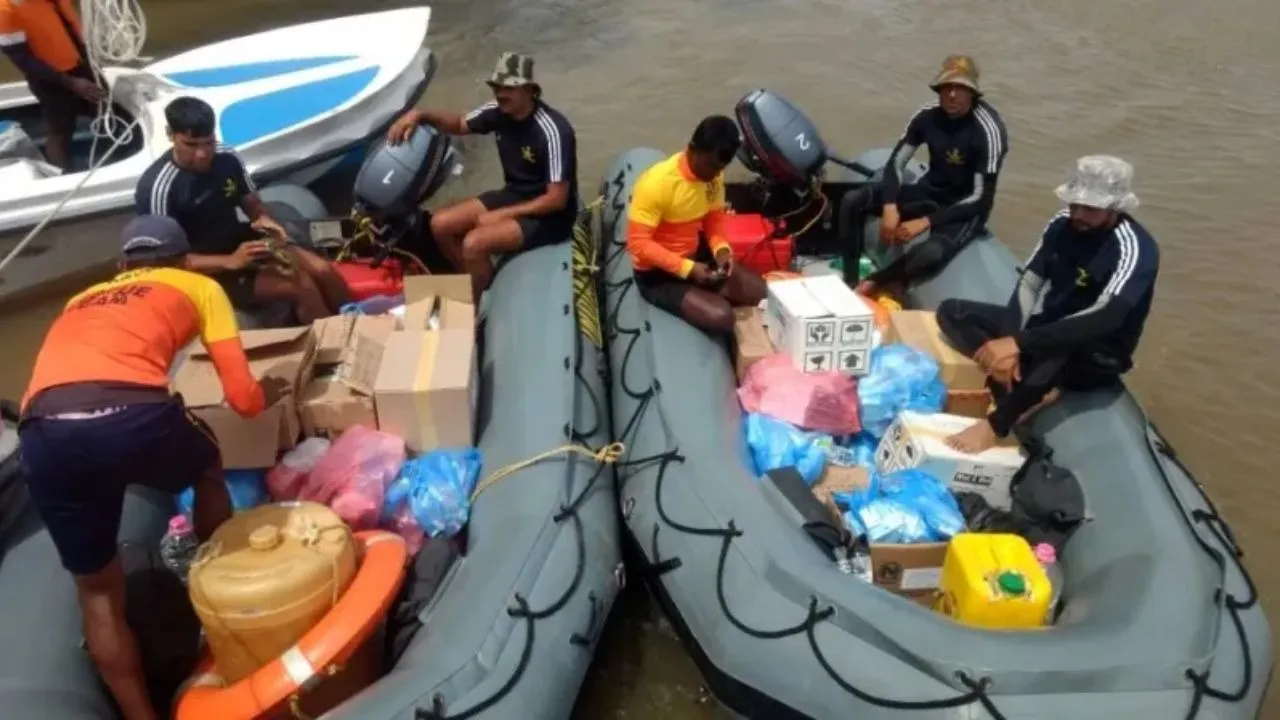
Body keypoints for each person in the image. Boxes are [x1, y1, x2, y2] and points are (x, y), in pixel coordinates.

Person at [18, 215, 287, 720]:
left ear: (122, 266)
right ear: (185, 260)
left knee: (97, 593)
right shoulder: (199, 285)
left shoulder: (80, 298)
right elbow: (244, 400)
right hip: (129, 412)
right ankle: (225, 596)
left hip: (44, 430)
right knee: (207, 464)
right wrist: (266, 393)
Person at [936, 156, 1158, 453]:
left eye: (1090, 209)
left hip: (1098, 348)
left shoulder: (1134, 248)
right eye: (1074, 205)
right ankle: (1023, 380)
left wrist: (1018, 342)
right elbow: (1030, 284)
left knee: (1057, 352)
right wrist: (1008, 341)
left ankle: (997, 424)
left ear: (1115, 208)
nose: (1077, 214)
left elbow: (1106, 316)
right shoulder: (1061, 225)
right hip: (1048, 328)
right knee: (953, 312)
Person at [135, 96, 349, 323]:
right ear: (171, 135)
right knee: (301, 285)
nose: (202, 154)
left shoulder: (227, 157)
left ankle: (355, 319)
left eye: (208, 143)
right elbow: (163, 263)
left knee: (323, 270)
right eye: (191, 145)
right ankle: (337, 343)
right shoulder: (157, 187)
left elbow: (252, 203)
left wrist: (264, 218)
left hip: (244, 242)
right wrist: (230, 261)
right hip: (210, 269)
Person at [386, 52, 577, 302]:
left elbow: (557, 200)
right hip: (514, 193)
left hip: (550, 216)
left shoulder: (552, 131)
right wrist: (421, 115)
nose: (500, 93)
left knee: (474, 243)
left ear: (529, 90)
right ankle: (473, 282)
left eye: (508, 87)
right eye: (496, 87)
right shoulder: (498, 112)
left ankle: (480, 306)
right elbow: (460, 124)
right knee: (440, 224)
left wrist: (503, 215)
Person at [838, 54, 1008, 297]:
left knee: (932, 253)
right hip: (931, 190)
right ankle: (849, 280)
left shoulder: (988, 130)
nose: (952, 94)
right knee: (851, 201)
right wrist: (889, 205)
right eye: (947, 87)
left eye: (960, 88)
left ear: (973, 93)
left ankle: (876, 282)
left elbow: (981, 197)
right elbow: (896, 163)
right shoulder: (927, 116)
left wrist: (926, 222)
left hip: (964, 207)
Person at [626, 115, 767, 334]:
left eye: (721, 169)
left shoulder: (713, 178)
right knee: (722, 317)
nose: (714, 174)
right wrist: (687, 269)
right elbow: (638, 244)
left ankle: (710, 287)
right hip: (657, 273)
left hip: (695, 255)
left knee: (766, 294)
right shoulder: (657, 184)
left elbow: (714, 219)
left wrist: (721, 250)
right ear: (692, 149)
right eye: (710, 165)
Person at [0, 0, 105, 170]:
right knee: (59, 132)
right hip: (50, 79)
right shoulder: (6, 9)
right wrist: (70, 83)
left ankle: (123, 148)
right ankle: (63, 177)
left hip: (81, 64)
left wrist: (89, 62)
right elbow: (22, 59)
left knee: (105, 108)